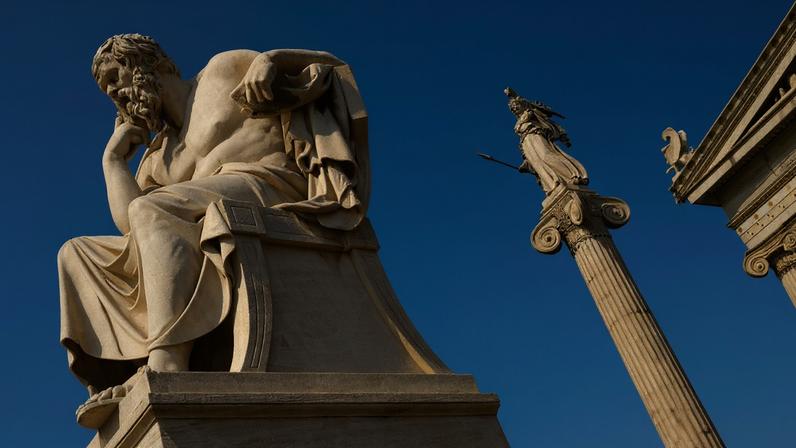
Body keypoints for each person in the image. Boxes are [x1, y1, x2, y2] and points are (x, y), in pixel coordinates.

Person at [57, 34, 369, 414]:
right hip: (199, 207)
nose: (115, 93)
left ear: (147, 62)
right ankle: (124, 375)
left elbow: (332, 68)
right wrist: (113, 161)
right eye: (107, 90)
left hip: (270, 183)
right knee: (76, 252)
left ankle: (167, 360)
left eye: (115, 77)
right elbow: (133, 230)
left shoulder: (223, 69)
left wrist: (274, 59)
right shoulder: (159, 157)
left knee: (153, 209)